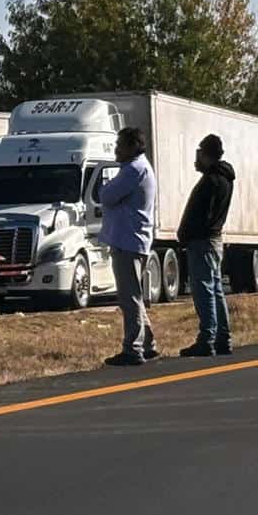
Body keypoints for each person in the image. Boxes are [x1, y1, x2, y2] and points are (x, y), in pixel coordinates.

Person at [98, 126, 159, 365]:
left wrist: (106, 189)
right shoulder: (138, 169)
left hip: (128, 239)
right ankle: (147, 342)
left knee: (129, 296)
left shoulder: (133, 170)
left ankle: (133, 349)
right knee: (133, 294)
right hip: (131, 239)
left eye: (120, 145)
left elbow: (106, 195)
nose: (116, 149)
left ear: (133, 146)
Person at [177, 133, 236, 357]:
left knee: (204, 291)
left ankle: (207, 338)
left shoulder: (211, 181)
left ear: (205, 153)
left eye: (199, 153)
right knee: (216, 289)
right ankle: (223, 337)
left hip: (202, 241)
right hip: (213, 239)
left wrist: (187, 233)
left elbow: (201, 214)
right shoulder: (224, 179)